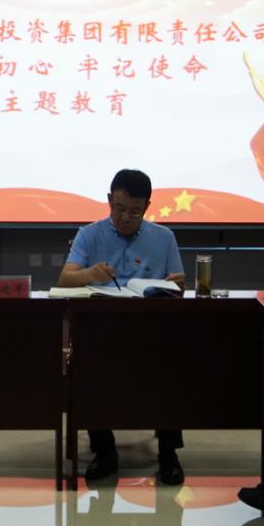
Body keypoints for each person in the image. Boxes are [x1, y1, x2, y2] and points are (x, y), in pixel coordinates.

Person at [56, 169, 186, 485]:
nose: (125, 217)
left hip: (151, 332)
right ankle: (105, 452)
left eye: (134, 211)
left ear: (147, 207)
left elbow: (178, 283)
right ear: (109, 201)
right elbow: (65, 279)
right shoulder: (89, 234)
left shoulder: (164, 237)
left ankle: (168, 454)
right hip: (101, 331)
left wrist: (176, 283)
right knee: (88, 366)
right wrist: (90, 274)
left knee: (171, 366)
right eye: (119, 208)